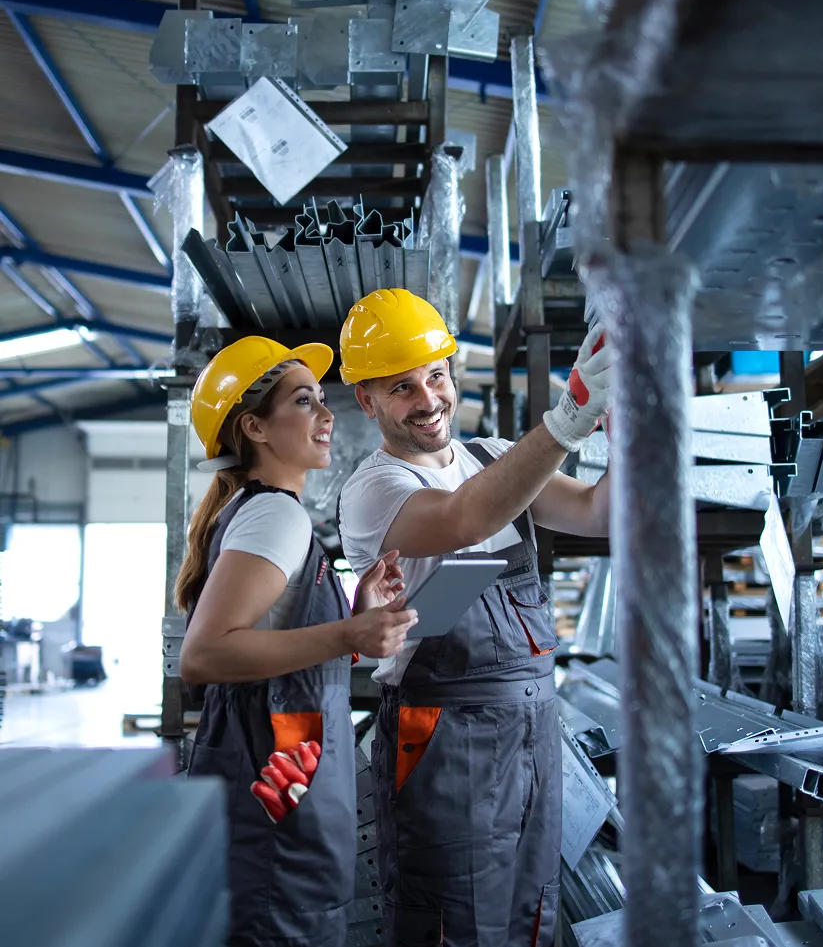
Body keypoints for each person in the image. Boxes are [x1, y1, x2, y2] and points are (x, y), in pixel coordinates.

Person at [337, 289, 612, 947]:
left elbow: (601, 512)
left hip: (532, 721)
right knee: (454, 913)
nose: (428, 399)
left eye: (436, 375)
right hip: (443, 732)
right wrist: (567, 419)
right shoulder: (373, 489)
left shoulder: (492, 458)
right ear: (368, 401)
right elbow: (464, 519)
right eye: (402, 387)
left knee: (530, 907)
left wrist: (625, 415)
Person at [176, 335, 418, 947]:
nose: (327, 413)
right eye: (304, 400)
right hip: (275, 794)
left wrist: (357, 618)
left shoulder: (270, 515)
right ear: (255, 427)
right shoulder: (275, 516)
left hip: (286, 785)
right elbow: (204, 655)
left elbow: (275, 646)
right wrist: (347, 630)